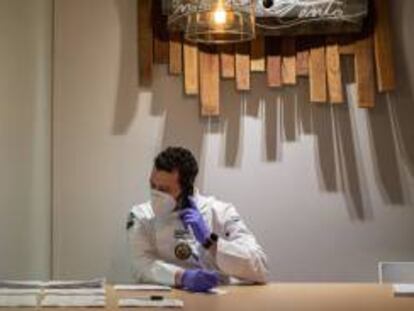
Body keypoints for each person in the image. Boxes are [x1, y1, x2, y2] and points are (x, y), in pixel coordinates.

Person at [127, 147, 269, 292]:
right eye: (152, 185)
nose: (155, 194)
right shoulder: (141, 215)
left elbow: (260, 268)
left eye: (164, 190)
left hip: (218, 299)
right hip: (167, 300)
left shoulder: (220, 212)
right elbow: (141, 265)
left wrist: (211, 242)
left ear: (187, 189)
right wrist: (181, 277)